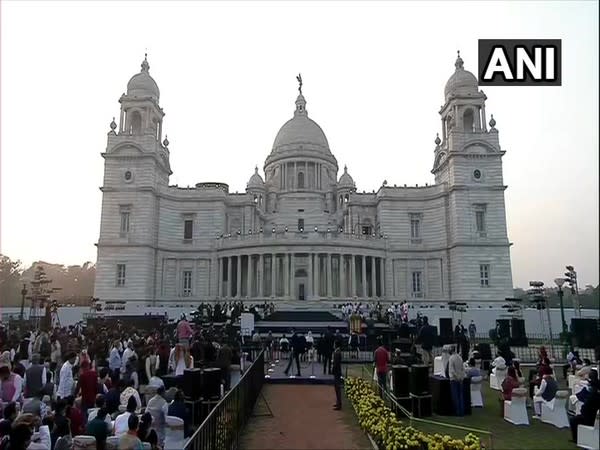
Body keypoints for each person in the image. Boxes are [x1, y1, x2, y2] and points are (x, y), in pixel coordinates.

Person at [569, 377, 600, 443]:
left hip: (590, 419)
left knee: (573, 420)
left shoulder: (592, 397)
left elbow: (584, 409)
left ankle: (576, 439)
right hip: (594, 418)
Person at [448, 347, 466, 416]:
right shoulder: (459, 357)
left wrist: (457, 377)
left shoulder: (451, 358)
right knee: (460, 395)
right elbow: (462, 369)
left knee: (455, 396)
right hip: (460, 378)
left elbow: (452, 370)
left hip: (454, 379)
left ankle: (457, 411)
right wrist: (461, 377)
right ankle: (462, 411)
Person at [332, 340, 342, 410]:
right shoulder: (337, 351)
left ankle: (339, 404)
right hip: (337, 371)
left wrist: (333, 370)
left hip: (337, 372)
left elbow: (336, 363)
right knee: (336, 388)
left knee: (337, 388)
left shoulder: (337, 352)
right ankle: (338, 402)